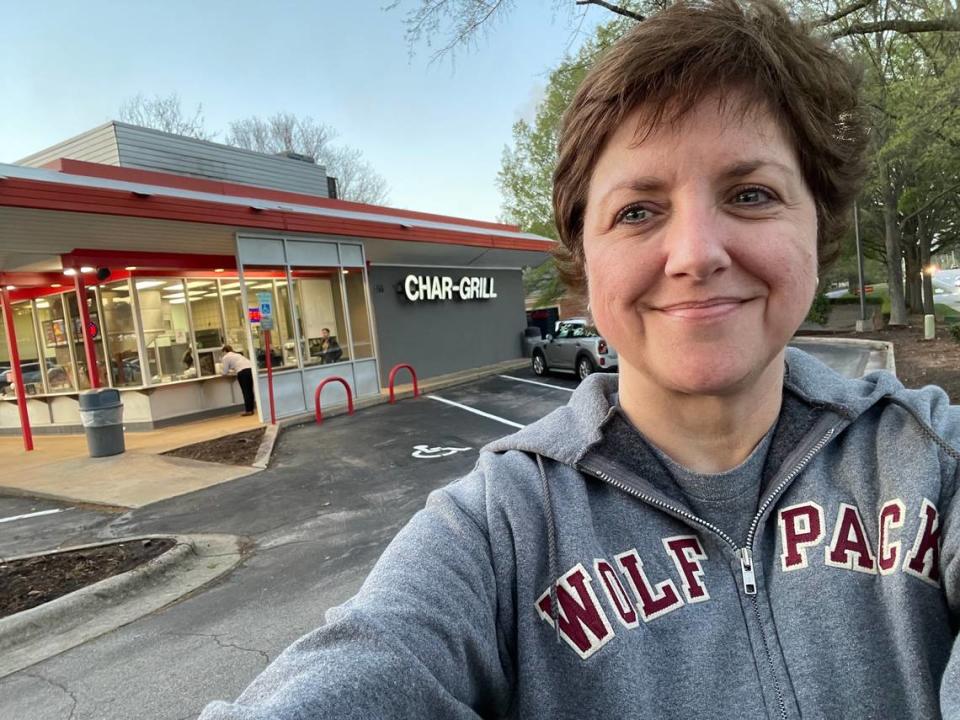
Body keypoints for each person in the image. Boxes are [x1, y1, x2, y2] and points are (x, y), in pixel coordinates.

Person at [200, 1, 960, 718]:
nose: (696, 254)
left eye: (752, 194)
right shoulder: (499, 530)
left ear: (815, 226)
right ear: (585, 262)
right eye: (637, 211)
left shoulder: (930, 458)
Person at [220, 345, 255, 416]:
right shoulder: (237, 355)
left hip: (242, 372)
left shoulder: (226, 357)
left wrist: (222, 372)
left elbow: (225, 371)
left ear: (224, 351)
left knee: (245, 391)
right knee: (250, 390)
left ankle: (248, 410)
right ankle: (251, 409)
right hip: (250, 370)